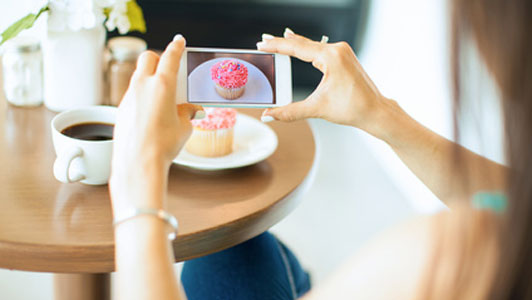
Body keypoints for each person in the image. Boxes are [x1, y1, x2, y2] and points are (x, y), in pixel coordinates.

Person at [109, 0, 532, 298]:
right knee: (241, 247)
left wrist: (136, 183)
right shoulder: (496, 242)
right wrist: (381, 114)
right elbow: (511, 207)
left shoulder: (455, 257)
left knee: (225, 253)